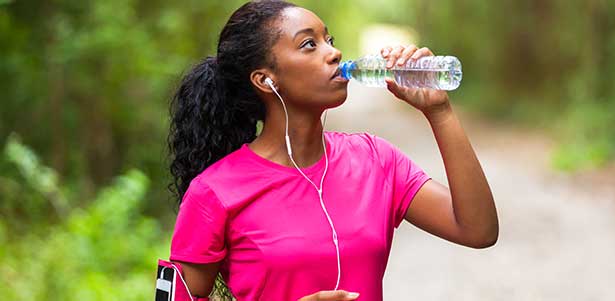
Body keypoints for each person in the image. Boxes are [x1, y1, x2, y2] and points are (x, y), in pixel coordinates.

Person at [167, 1, 498, 300]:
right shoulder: (213, 192)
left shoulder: (376, 160)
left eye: (330, 40)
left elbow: (477, 230)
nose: (334, 53)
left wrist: (439, 112)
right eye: (309, 44)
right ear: (266, 80)